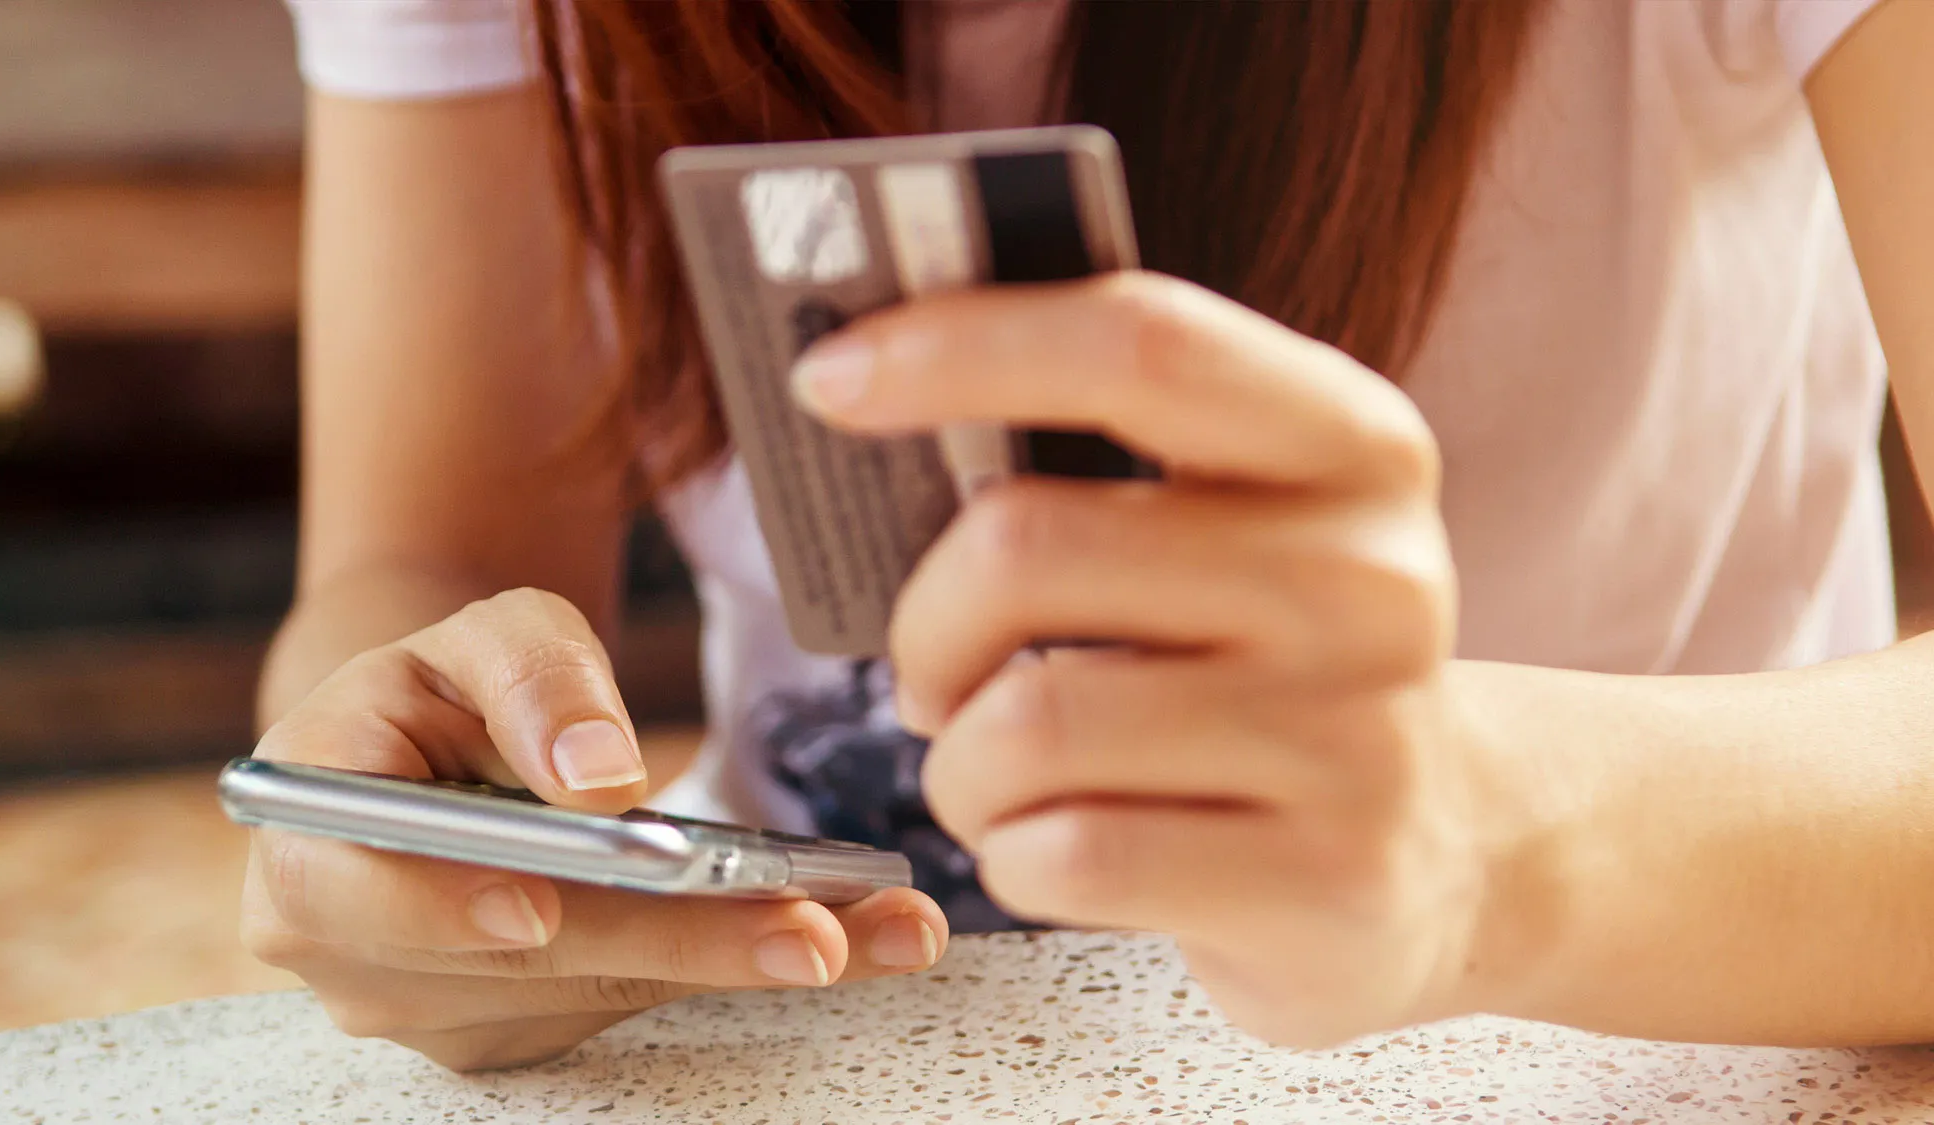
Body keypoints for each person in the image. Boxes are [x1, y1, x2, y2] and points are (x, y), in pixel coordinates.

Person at [241, 0, 1934, 1072]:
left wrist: (1484, 835)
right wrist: (420, 824)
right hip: (827, 1039)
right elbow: (415, 566)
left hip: (1622, 1054)